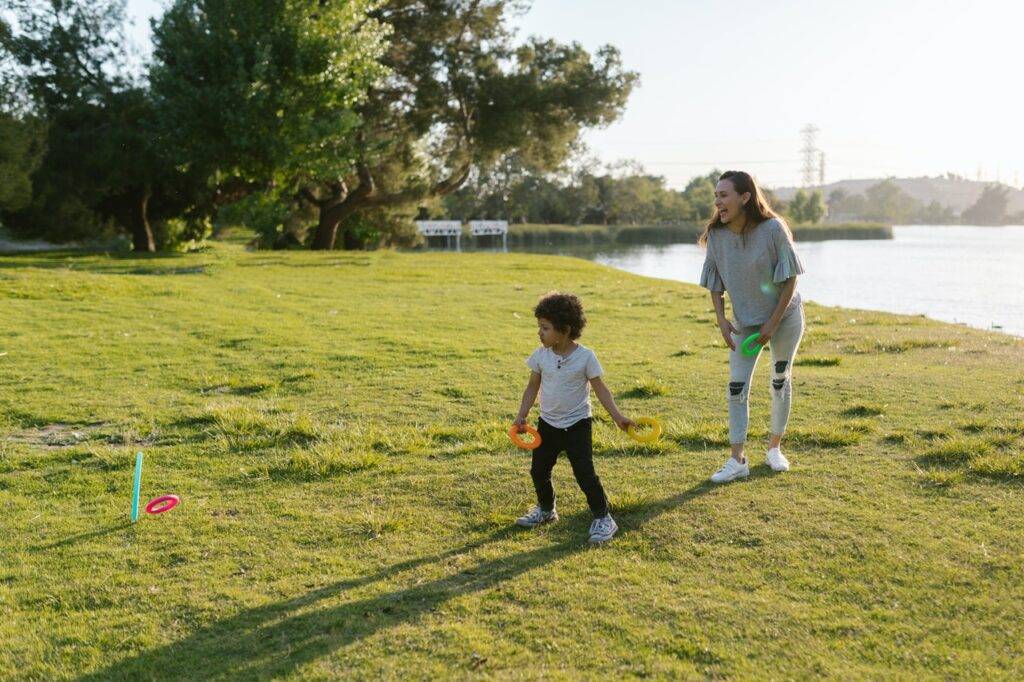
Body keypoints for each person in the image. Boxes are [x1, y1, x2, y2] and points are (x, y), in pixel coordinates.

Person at [698, 170, 807, 483]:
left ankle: (774, 448)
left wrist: (772, 324)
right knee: (736, 387)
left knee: (779, 378)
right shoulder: (717, 236)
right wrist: (721, 319)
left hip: (784, 317)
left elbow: (790, 280)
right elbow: (714, 283)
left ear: (745, 198)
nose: (718, 202)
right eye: (716, 196)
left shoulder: (773, 228)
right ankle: (737, 460)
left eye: (724, 195)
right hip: (746, 323)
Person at [512, 292, 633, 543]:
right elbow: (532, 387)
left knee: (585, 474)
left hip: (578, 425)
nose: (539, 333)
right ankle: (546, 510)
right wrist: (522, 415)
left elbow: (600, 388)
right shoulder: (541, 356)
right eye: (539, 327)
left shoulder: (585, 357)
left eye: (545, 328)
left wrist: (617, 416)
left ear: (564, 330)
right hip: (548, 424)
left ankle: (603, 519)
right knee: (538, 470)